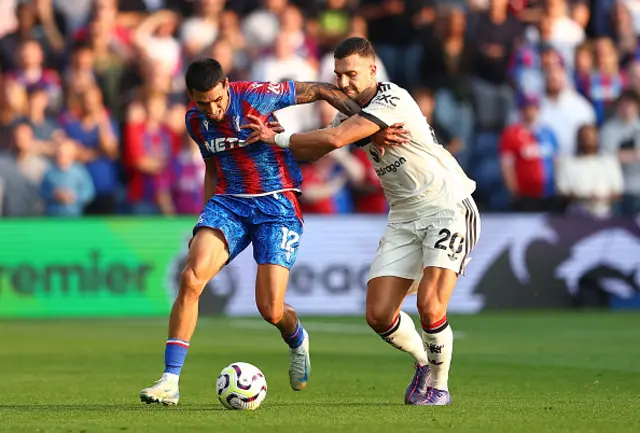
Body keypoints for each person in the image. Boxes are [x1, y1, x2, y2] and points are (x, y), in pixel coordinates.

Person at [242, 37, 481, 406]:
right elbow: (322, 146)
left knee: (431, 305)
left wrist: (283, 136)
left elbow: (337, 137)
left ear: (373, 69)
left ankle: (440, 385)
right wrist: (277, 142)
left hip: (446, 205)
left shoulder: (392, 98)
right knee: (379, 314)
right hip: (404, 215)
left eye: (351, 74)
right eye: (338, 75)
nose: (343, 83)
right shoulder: (352, 111)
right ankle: (423, 363)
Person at [140, 58, 363, 406]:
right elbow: (212, 168)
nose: (212, 110)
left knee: (271, 309)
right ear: (191, 97)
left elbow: (321, 90)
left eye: (217, 100)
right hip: (229, 203)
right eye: (203, 103)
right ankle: (170, 381)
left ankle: (297, 338)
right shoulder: (195, 122)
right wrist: (205, 216)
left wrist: (370, 123)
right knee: (191, 278)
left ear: (227, 85)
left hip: (277, 204)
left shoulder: (256, 96)